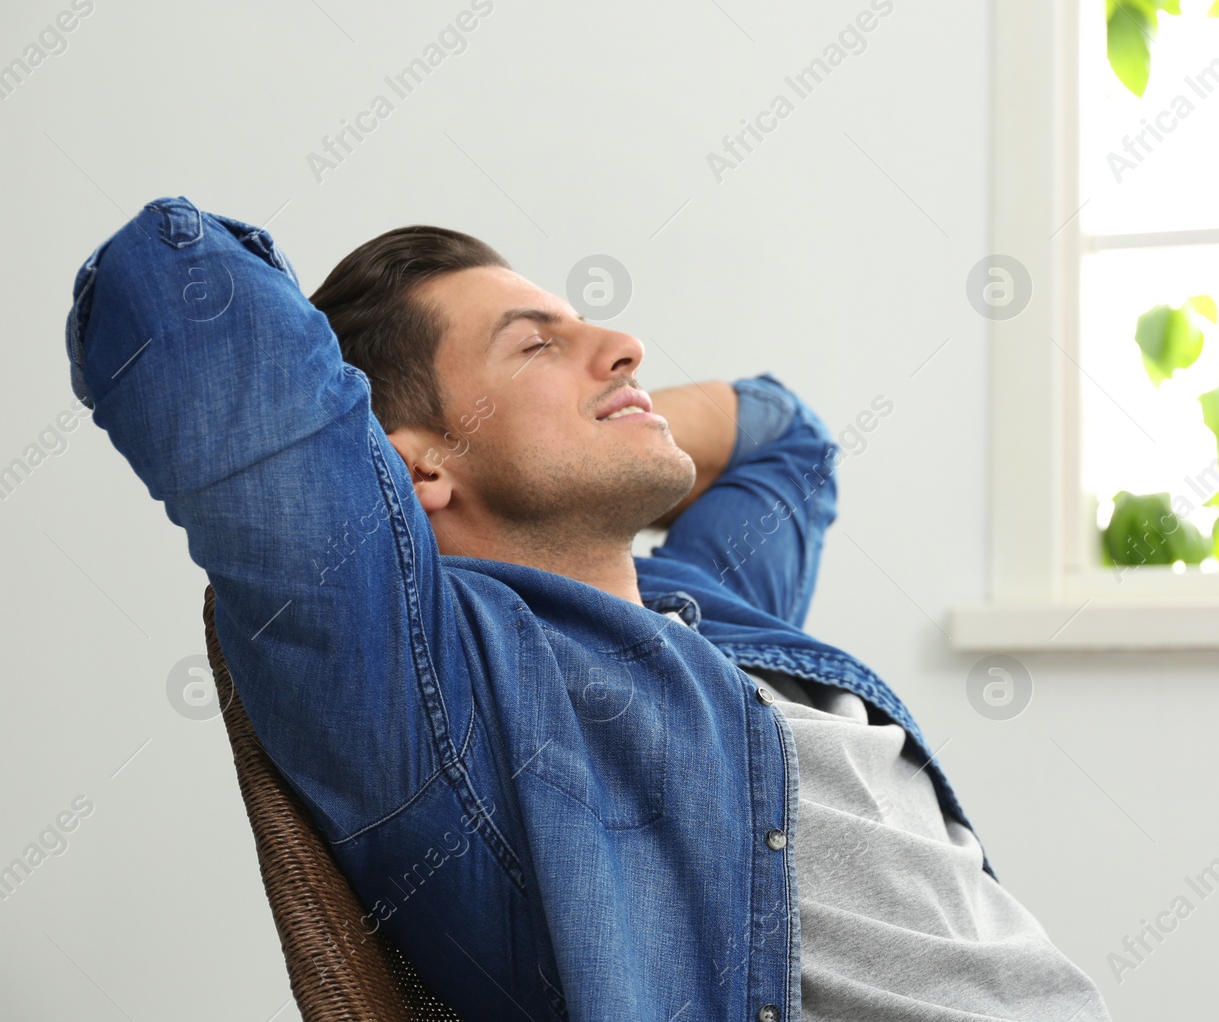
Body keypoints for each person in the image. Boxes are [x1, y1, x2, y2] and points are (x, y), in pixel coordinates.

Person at [66, 195, 1111, 1022]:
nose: (623, 344)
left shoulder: (712, 606)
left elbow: (788, 437)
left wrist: (616, 417)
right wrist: (399, 455)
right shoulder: (434, 690)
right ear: (413, 461)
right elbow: (169, 282)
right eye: (536, 343)